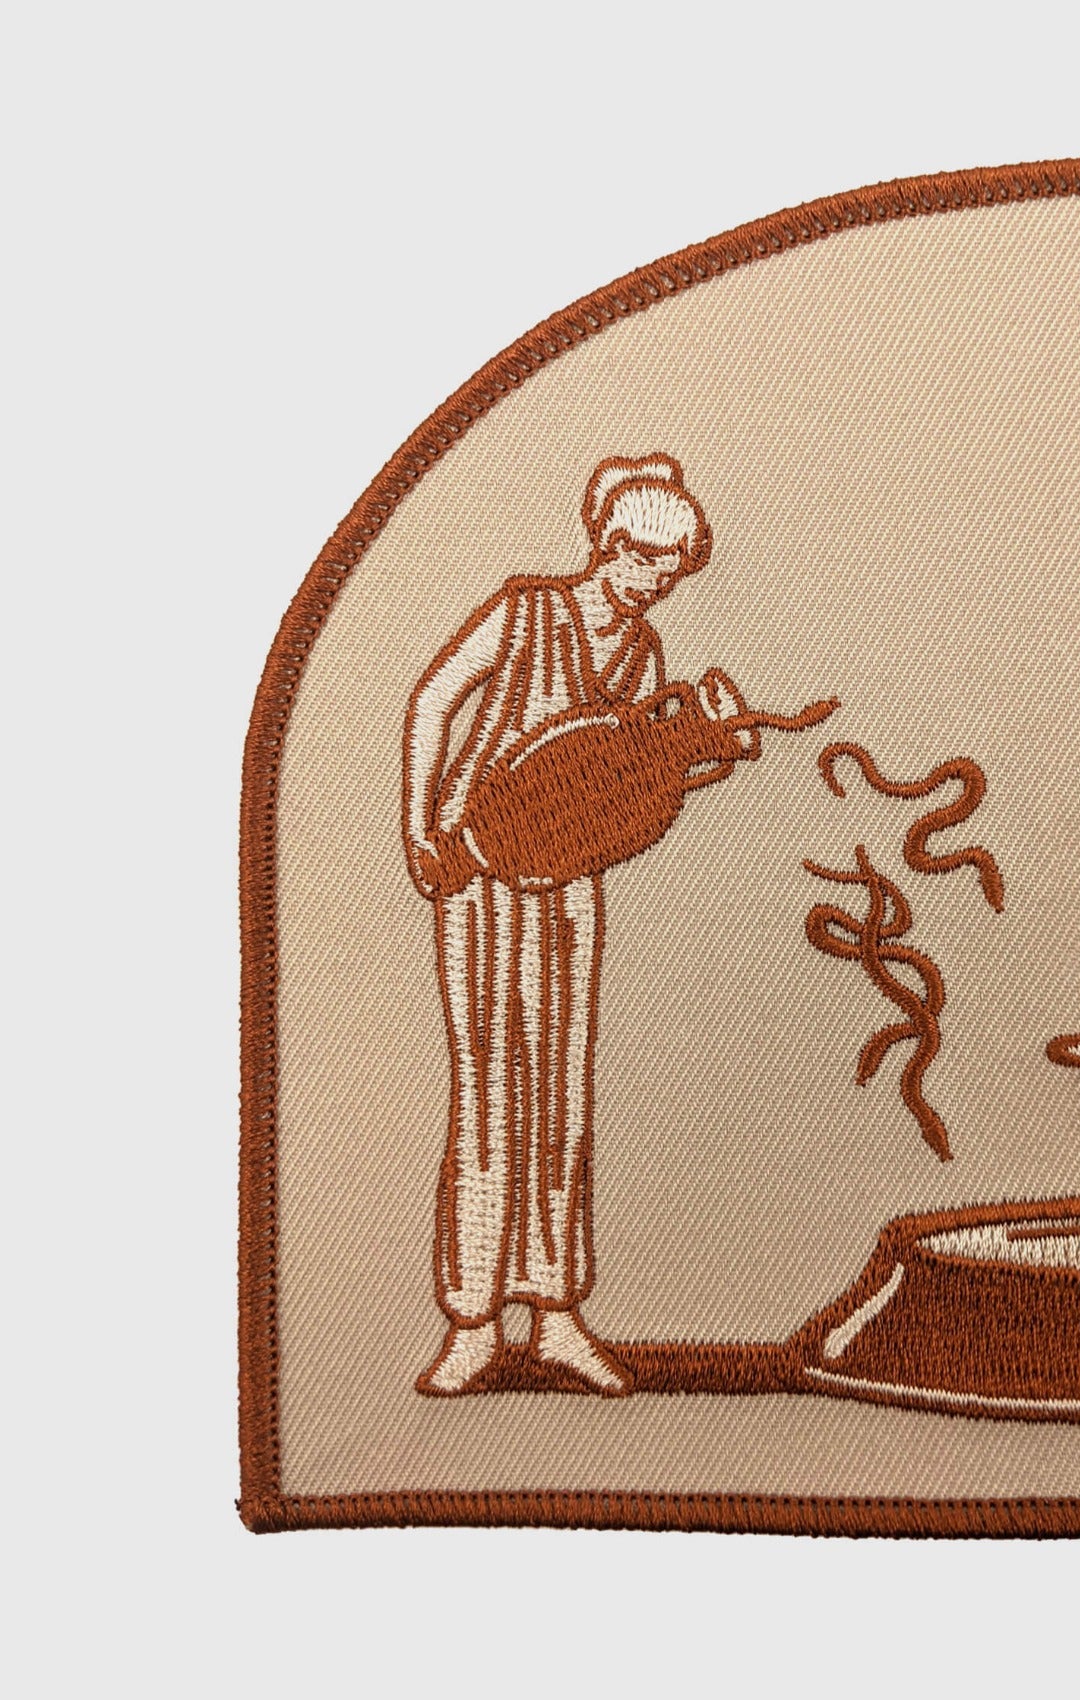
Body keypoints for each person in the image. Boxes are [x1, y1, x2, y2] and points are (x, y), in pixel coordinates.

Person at [404, 455, 713, 1394]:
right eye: (644, 559)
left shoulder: (642, 656)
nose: (655, 581)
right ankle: (470, 1322)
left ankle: (554, 1312)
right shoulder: (526, 610)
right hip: (475, 877)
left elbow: (627, 785)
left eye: (671, 568)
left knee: (560, 1087)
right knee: (488, 1088)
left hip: (567, 884)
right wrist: (418, 827)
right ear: (608, 544)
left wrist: (699, 759)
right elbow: (433, 698)